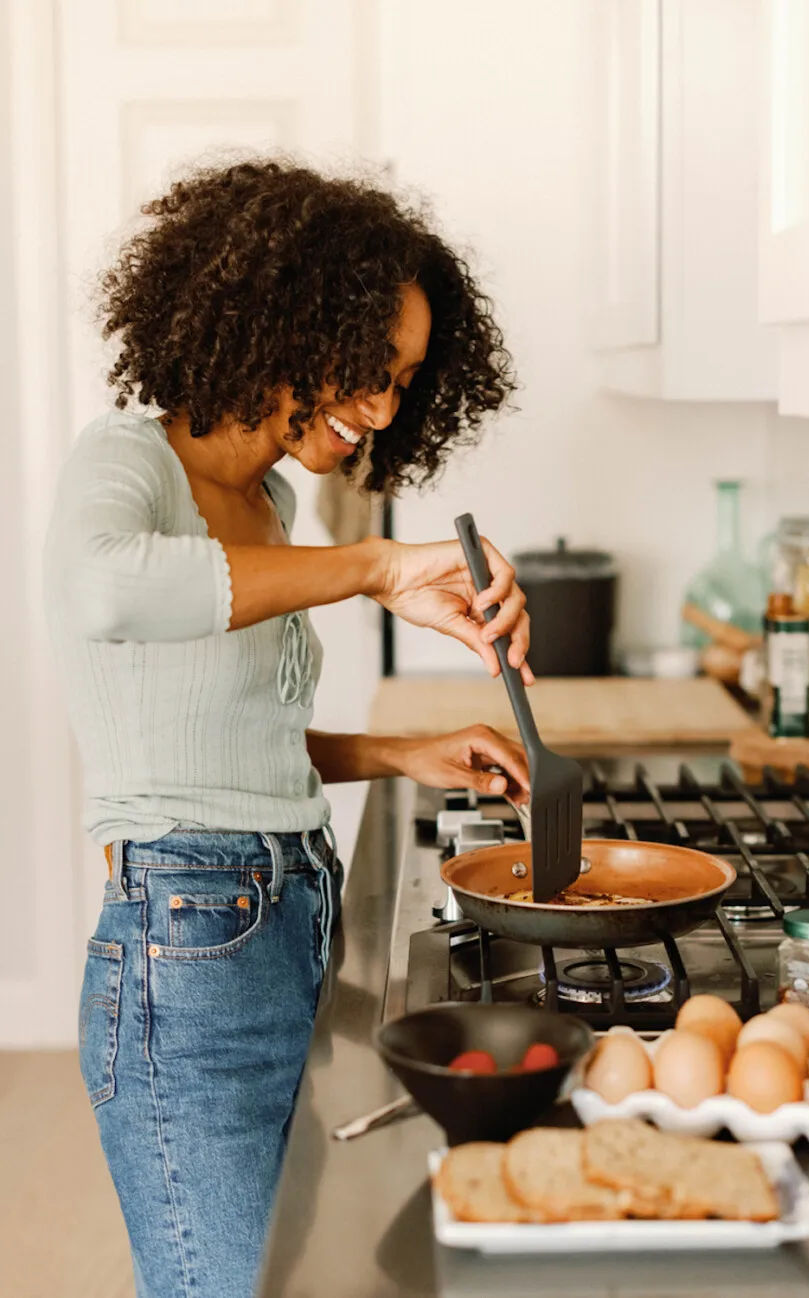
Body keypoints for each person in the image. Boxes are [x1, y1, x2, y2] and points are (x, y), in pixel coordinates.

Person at [43, 158, 531, 1298]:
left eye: (405, 383)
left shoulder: (273, 506)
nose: (382, 409)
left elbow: (215, 743)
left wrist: (394, 754)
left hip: (284, 912)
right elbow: (107, 591)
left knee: (295, 1274)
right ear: (278, 320)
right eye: (368, 370)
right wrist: (367, 568)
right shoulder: (128, 464)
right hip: (186, 948)